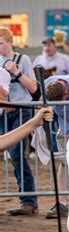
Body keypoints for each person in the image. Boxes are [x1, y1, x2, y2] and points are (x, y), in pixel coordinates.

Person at [0, 27, 40, 216]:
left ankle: (28, 201)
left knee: (16, 153)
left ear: (10, 41)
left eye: (0, 42)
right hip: (3, 111)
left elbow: (33, 88)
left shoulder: (22, 60)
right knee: (10, 153)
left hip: (22, 109)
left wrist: (17, 72)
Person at [43, 74, 69, 219]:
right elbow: (40, 104)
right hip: (64, 127)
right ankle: (62, 203)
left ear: (66, 92)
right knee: (64, 162)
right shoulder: (47, 85)